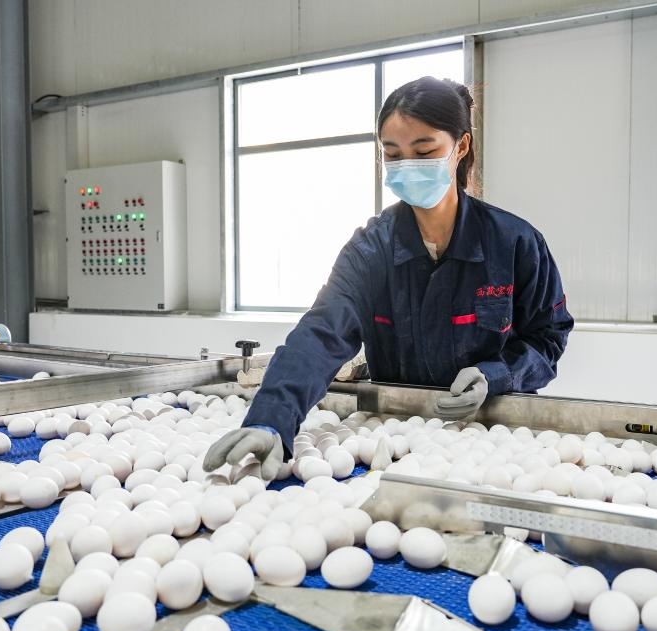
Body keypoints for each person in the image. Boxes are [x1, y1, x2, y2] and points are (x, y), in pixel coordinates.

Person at [205, 76, 573, 480]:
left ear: (461, 146)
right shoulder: (371, 250)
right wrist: (271, 419)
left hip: (489, 437)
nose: (407, 165)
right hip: (392, 439)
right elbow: (322, 333)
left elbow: (548, 337)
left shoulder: (514, 243)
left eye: (424, 151)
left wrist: (497, 374)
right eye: (393, 154)